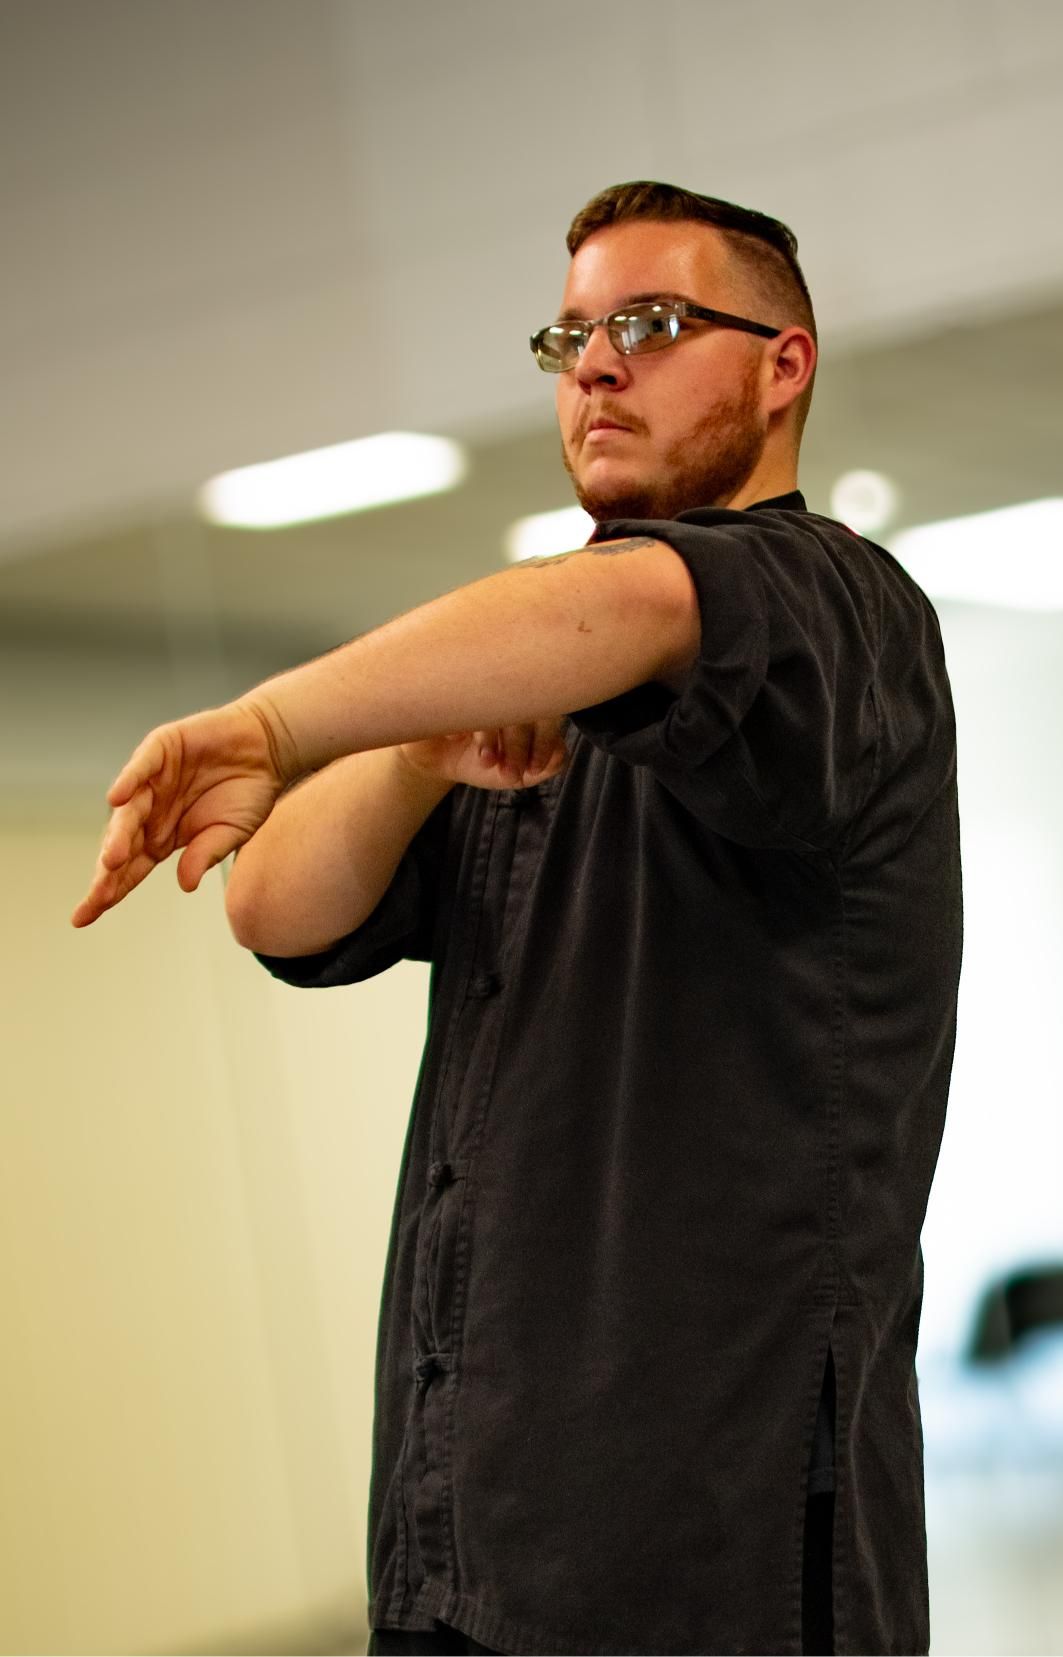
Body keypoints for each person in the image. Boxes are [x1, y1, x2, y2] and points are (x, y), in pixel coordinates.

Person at [72, 181, 963, 1656]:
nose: (599, 363)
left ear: (784, 363)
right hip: (464, 1556)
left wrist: (280, 722)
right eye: (573, 335)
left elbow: (633, 608)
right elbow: (277, 907)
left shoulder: (838, 605)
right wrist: (416, 755)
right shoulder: (520, 699)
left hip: (706, 1566)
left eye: (655, 325)